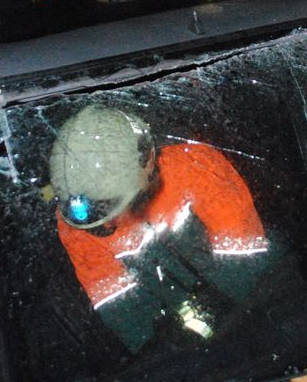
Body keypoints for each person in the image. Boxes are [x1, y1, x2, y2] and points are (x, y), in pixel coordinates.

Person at [48, 105, 269, 353]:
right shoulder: (78, 224)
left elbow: (250, 265)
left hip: (255, 307)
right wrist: (171, 346)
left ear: (146, 173)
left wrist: (227, 326)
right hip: (187, 348)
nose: (108, 222)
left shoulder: (193, 163)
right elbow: (123, 311)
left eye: (111, 204)